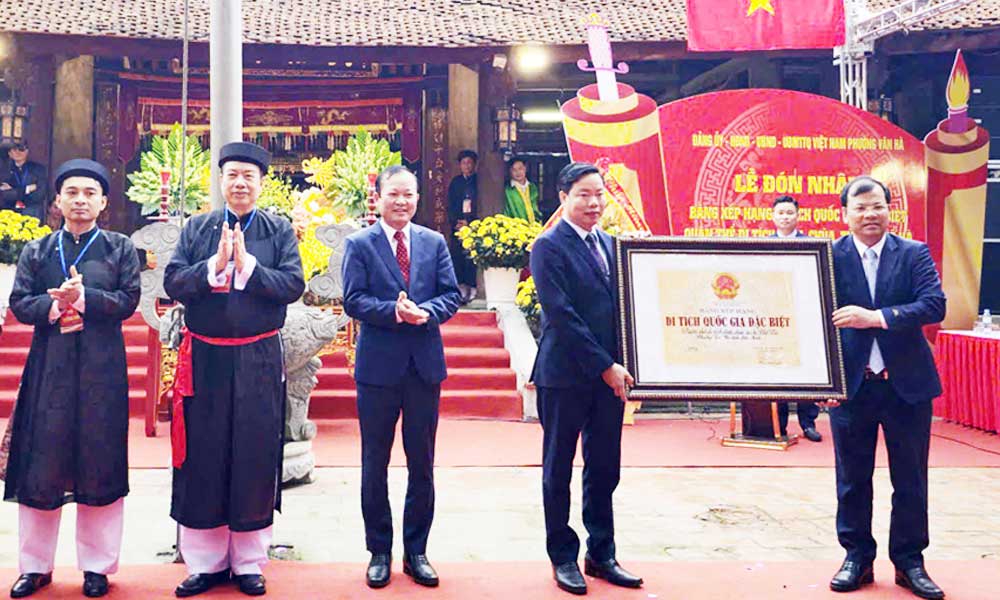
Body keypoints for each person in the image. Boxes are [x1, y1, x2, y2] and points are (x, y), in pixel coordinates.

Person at [164, 142, 305, 597]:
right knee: (203, 455)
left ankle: (248, 561)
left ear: (261, 183)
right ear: (220, 181)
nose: (240, 183)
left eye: (248, 176)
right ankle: (204, 562)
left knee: (254, 453)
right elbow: (173, 281)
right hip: (205, 357)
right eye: (232, 175)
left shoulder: (278, 230)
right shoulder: (198, 229)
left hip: (258, 358)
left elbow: (293, 284)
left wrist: (248, 267)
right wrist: (215, 265)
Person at [4, 159, 141, 598]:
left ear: (103, 203)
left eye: (89, 194)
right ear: (58, 201)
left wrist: (87, 298)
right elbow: (19, 302)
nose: (80, 201)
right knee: (40, 464)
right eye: (72, 193)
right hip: (50, 366)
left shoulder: (119, 248)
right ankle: (35, 565)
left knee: (99, 463)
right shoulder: (38, 250)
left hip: (103, 368)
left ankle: (97, 568)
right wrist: (52, 305)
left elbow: (127, 300)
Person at [824, 176, 946, 599]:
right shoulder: (829, 256)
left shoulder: (913, 254)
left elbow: (934, 304)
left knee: (910, 479)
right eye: (859, 208)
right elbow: (814, 318)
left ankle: (910, 562)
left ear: (890, 210)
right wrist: (821, 379)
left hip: (906, 386)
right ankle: (856, 557)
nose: (869, 215)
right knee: (852, 479)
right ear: (845, 215)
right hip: (850, 388)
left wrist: (875, 317)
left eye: (877, 206)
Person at [342, 165, 462, 589]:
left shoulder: (433, 243)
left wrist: (428, 313)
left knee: (422, 462)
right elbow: (353, 300)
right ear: (377, 197)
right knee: (374, 462)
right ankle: (379, 550)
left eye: (408, 195)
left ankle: (417, 551)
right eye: (393, 194)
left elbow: (452, 294)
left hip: (423, 366)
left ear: (417, 198)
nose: (402, 202)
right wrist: (392, 311)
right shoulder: (360, 244)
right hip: (378, 368)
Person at [530, 162, 643, 596]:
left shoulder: (613, 245)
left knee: (604, 467)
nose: (594, 203)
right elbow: (563, 316)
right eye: (583, 195)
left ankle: (602, 552)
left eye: (599, 194)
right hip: (565, 376)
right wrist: (605, 365)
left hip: (608, 380)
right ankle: (563, 556)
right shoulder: (548, 247)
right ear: (563, 198)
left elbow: (626, 311)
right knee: (558, 468)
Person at [770, 195, 822, 442]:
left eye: (790, 213)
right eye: (781, 213)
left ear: (798, 216)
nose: (785, 217)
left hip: (804, 315)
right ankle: (777, 424)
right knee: (778, 370)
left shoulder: (812, 245)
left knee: (806, 370)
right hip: (775, 317)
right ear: (773, 217)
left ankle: (808, 422)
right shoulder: (763, 246)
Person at [447, 149, 478, 303]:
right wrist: (457, 222)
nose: (466, 166)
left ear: (474, 165)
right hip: (458, 226)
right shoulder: (456, 182)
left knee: (471, 258)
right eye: (464, 163)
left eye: (469, 163)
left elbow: (482, 203)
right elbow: (450, 204)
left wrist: (471, 222)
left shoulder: (479, 181)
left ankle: (472, 288)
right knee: (458, 256)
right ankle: (461, 288)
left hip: (474, 227)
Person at [1, 142, 49, 223]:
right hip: (9, 214)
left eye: (21, 149)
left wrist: (14, 191)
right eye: (14, 150)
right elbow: (5, 195)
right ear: (9, 153)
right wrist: (26, 190)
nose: (18, 152)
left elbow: (40, 194)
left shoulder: (39, 169)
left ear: (27, 151)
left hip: (32, 213)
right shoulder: (3, 170)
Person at [503, 157, 541, 223]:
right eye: (514, 170)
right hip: (515, 227)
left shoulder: (532, 187)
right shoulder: (508, 190)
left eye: (520, 169)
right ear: (510, 171)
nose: (518, 172)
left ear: (525, 168)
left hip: (534, 225)